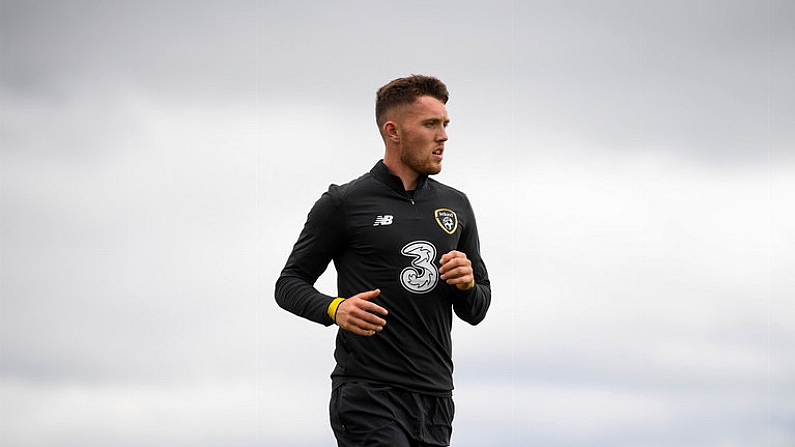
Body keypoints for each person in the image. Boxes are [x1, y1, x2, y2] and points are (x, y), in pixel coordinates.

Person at [275, 75, 491, 447]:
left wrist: (468, 284)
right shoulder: (344, 203)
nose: (443, 136)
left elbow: (476, 309)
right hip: (368, 393)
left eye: (445, 125)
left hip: (436, 399)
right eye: (430, 124)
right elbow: (289, 283)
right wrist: (334, 308)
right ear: (393, 131)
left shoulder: (456, 205)